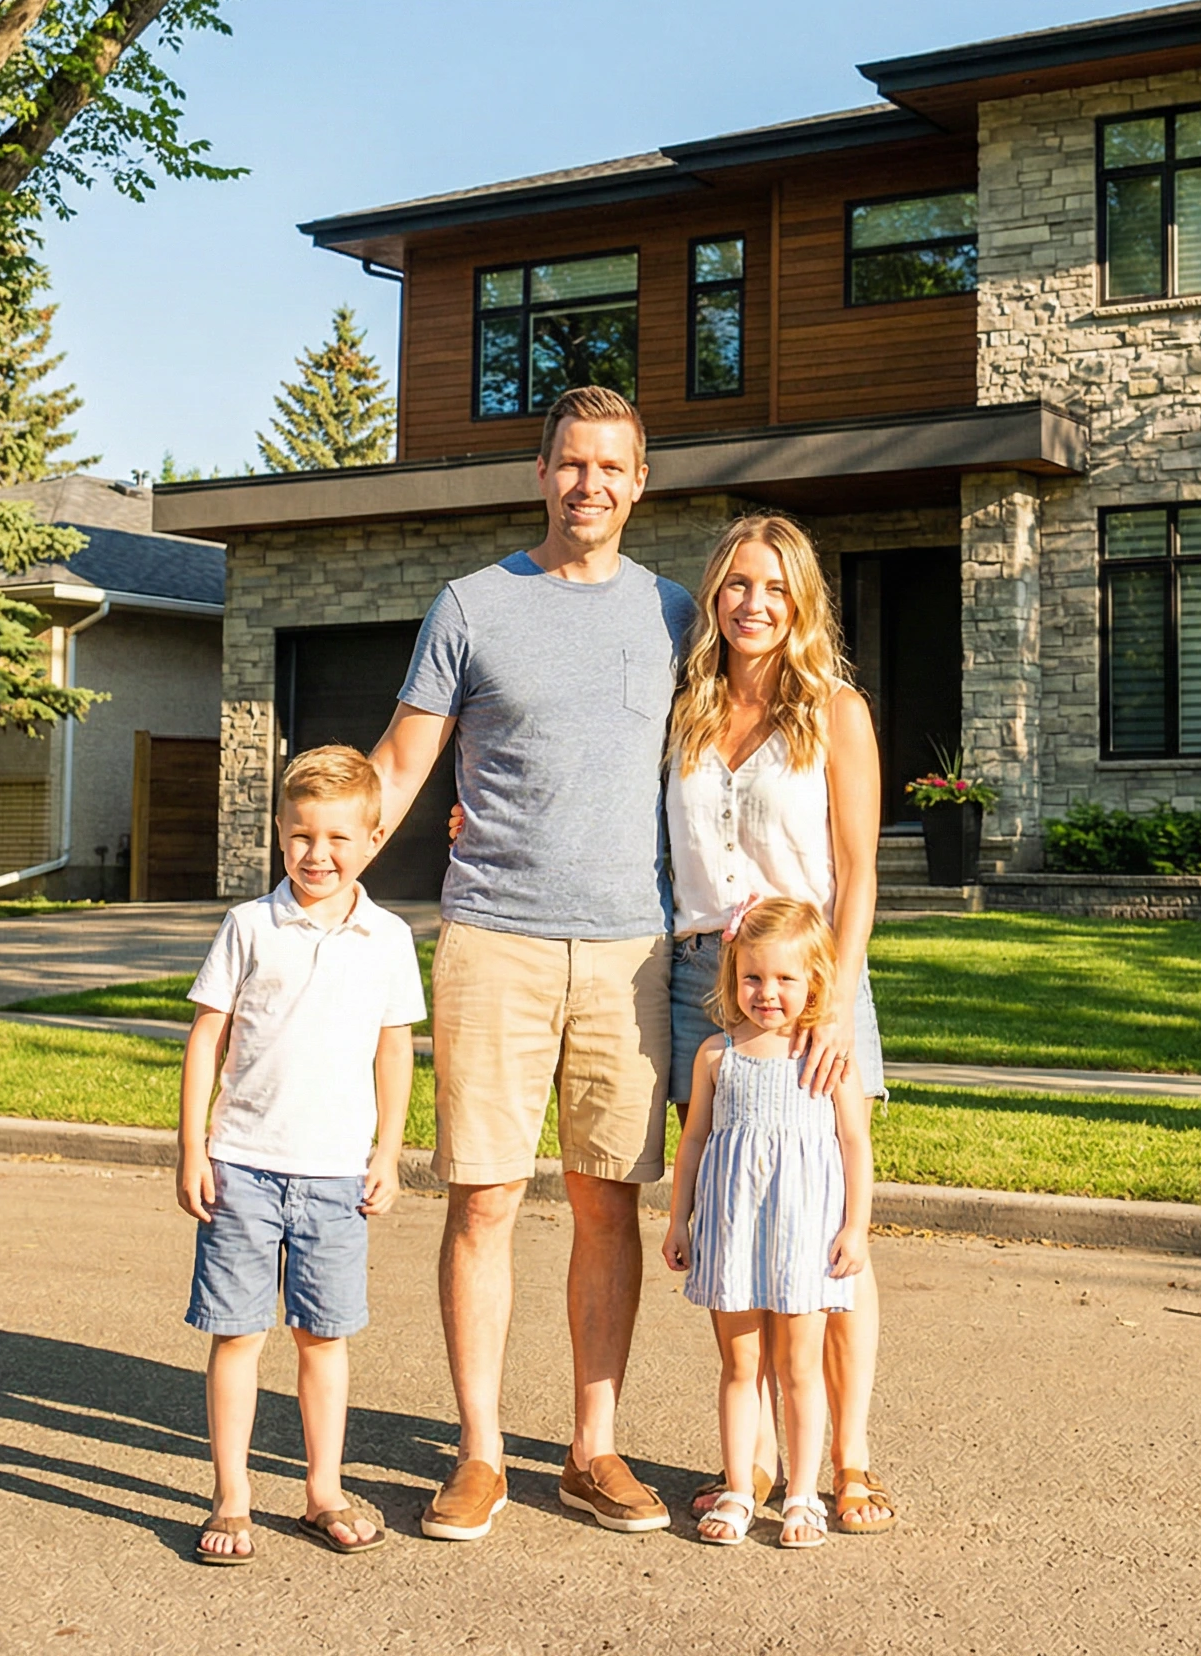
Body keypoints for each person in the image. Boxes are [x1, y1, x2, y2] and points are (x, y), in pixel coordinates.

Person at [370, 385, 697, 1543]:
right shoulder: (469, 604)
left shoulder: (674, 612)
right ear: (541, 471)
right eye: (571, 463)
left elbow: (729, 749)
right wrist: (315, 878)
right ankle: (478, 1451)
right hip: (492, 938)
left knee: (608, 1201)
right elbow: (402, 764)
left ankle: (591, 1447)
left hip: (629, 948)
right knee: (485, 1196)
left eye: (612, 466)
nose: (590, 483)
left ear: (638, 480)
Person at [666, 512, 898, 1533]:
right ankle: (751, 1463)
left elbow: (858, 872)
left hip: (810, 992)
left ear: (799, 599)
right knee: (736, 1208)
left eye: (771, 586)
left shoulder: (833, 711)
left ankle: (845, 1457)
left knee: (823, 1230)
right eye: (732, 586)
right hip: (698, 985)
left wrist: (837, 1004)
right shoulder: (684, 712)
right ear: (711, 598)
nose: (750, 604)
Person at [176, 744, 424, 1564]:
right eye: (300, 837)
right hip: (243, 1163)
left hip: (335, 1176)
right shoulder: (250, 926)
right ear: (279, 835)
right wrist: (193, 1147)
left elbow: (396, 1050)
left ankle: (323, 1489)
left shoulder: (386, 938)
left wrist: (388, 1151)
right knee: (238, 1334)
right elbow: (206, 1035)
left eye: (337, 839)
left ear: (372, 836)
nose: (317, 855)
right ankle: (233, 1496)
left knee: (324, 1337)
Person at [663, 898, 873, 1549]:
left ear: (816, 980)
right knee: (739, 1365)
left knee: (800, 1369)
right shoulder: (716, 1057)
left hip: (804, 1236)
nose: (768, 993)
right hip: (733, 1233)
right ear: (733, 976)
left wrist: (855, 1227)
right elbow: (694, 1139)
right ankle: (737, 1485)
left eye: (785, 979)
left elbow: (854, 1145)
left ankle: (804, 1496)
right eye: (754, 977)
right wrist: (679, 1220)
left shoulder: (826, 1057)